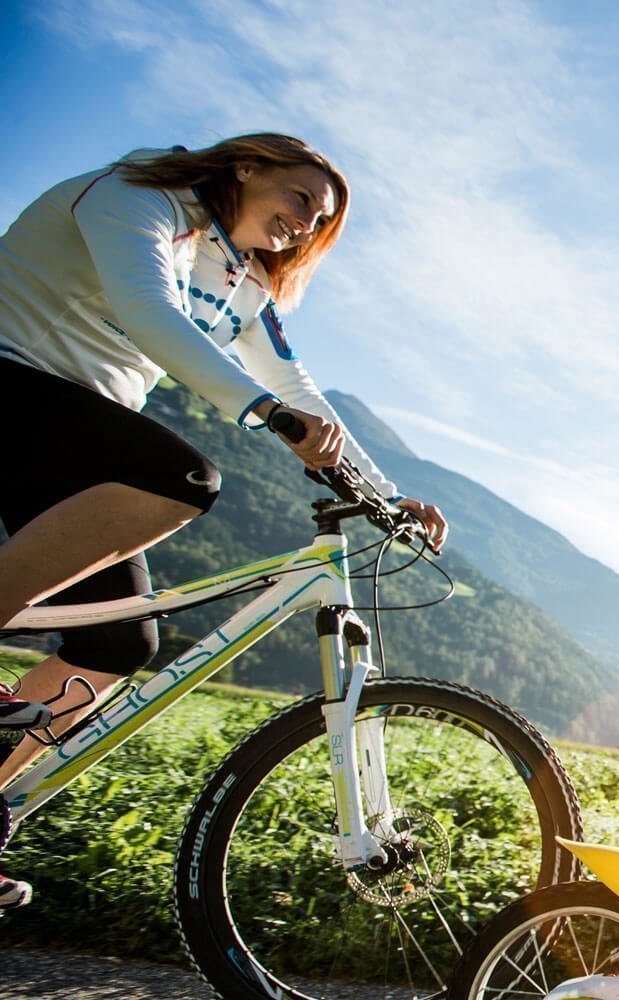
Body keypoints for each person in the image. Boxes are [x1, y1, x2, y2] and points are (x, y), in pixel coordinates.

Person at [0, 134, 450, 910]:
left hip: (71, 431)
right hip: (12, 379)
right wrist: (265, 414)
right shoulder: (134, 200)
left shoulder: (241, 281)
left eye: (321, 221)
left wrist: (387, 494)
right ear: (247, 167)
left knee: (118, 643)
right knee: (177, 477)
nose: (307, 225)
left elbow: (290, 378)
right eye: (303, 200)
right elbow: (147, 311)